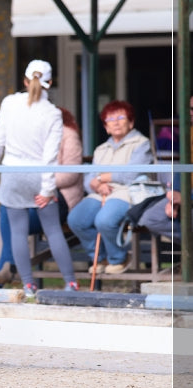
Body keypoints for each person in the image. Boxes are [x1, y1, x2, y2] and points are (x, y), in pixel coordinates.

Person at [0, 60, 78, 297]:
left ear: (25, 81)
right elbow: (50, 155)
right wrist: (47, 190)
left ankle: (28, 286)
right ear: (50, 83)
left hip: (12, 174)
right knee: (53, 230)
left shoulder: (9, 103)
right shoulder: (53, 113)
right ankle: (71, 283)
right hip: (38, 174)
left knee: (17, 233)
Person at [0, 107, 84, 286]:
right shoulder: (33, 135)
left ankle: (10, 271)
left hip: (60, 196)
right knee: (7, 212)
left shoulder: (68, 135)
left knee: (15, 218)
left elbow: (71, 173)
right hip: (35, 192)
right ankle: (9, 269)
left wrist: (44, 185)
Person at [67, 100, 153, 275]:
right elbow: (89, 180)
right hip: (100, 193)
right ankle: (101, 257)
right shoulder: (101, 149)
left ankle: (119, 258)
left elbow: (131, 175)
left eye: (121, 117)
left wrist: (101, 177)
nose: (115, 121)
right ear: (106, 126)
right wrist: (98, 185)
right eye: (110, 118)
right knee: (76, 220)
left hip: (127, 192)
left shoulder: (141, 143)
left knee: (104, 220)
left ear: (131, 122)